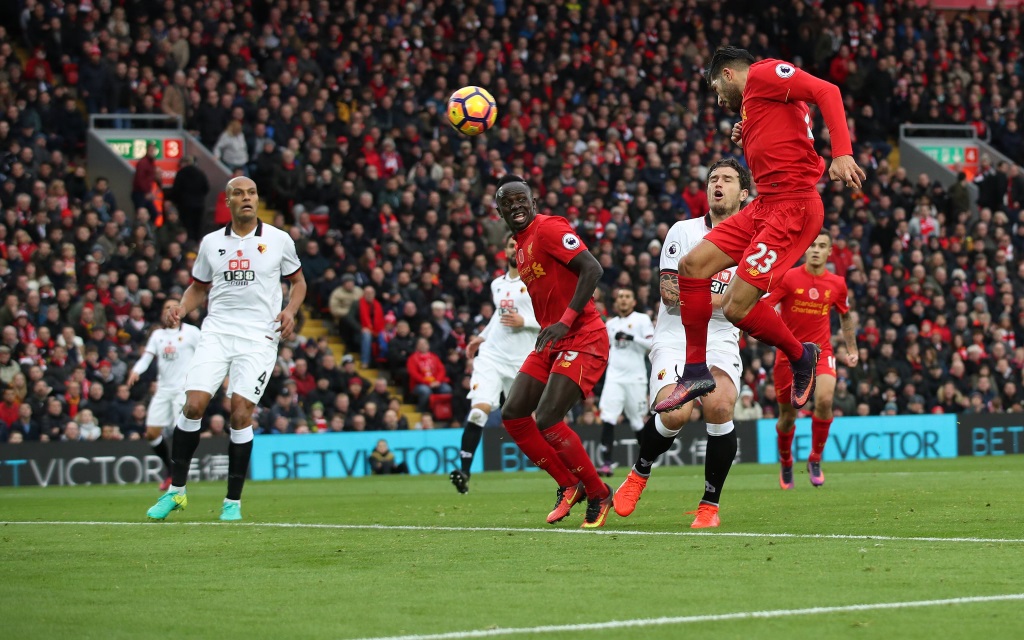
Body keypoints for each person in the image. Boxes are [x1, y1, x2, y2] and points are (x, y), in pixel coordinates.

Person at [655, 46, 865, 417]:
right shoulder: (756, 102)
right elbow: (786, 125)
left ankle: (801, 356)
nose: (720, 100)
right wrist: (747, 128)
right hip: (764, 206)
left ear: (728, 75)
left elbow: (827, 91)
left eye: (718, 90)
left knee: (737, 306)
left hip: (792, 208)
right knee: (692, 265)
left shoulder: (766, 74)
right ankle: (695, 372)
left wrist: (842, 152)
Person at [145, 176, 305, 522]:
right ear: (227, 201)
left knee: (240, 411)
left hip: (259, 337)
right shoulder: (211, 243)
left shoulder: (279, 240)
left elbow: (298, 282)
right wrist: (180, 307)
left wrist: (290, 311)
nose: (246, 198)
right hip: (216, 332)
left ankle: (232, 502)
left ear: (257, 199)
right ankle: (176, 493)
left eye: (251, 193)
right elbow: (198, 288)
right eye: (238, 194)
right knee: (193, 405)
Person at [615, 159, 749, 529]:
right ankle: (640, 472)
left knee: (720, 404)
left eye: (727, 179)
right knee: (676, 412)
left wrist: (708, 294)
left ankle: (709, 506)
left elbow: (751, 307)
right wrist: (730, 299)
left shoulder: (755, 242)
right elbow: (671, 295)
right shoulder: (683, 231)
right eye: (713, 179)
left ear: (744, 193)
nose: (717, 184)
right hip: (676, 334)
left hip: (720, 337)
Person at [495, 174, 613, 529]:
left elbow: (592, 268)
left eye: (521, 199)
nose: (515, 205)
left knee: (546, 418)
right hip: (552, 340)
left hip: (584, 335)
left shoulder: (548, 229)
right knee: (514, 414)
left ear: (533, 202)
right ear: (499, 211)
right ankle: (568, 483)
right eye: (507, 202)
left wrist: (565, 319)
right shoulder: (519, 245)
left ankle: (598, 492)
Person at [764, 231, 859, 488]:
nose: (816, 249)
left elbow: (845, 316)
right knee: (788, 417)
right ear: (806, 249)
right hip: (788, 355)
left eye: (822, 246)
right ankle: (786, 462)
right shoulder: (788, 277)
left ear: (829, 252)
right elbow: (765, 305)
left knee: (826, 400)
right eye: (813, 245)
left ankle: (815, 459)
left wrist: (852, 348)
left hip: (821, 352)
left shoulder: (837, 283)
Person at [449, 234, 539, 494]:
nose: (515, 249)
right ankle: (464, 472)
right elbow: (499, 319)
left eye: (519, 245)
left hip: (523, 361)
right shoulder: (497, 284)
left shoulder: (536, 281)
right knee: (479, 410)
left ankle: (564, 475)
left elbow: (550, 319)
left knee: (528, 421)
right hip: (492, 355)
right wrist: (482, 336)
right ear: (505, 250)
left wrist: (526, 323)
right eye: (511, 245)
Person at [127, 298, 202, 491]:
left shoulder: (192, 332)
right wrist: (136, 370)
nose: (169, 311)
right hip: (163, 390)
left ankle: (178, 475)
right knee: (151, 433)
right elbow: (147, 357)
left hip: (182, 390)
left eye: (172, 307)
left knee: (180, 432)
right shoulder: (157, 335)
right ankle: (170, 470)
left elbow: (206, 352)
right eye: (165, 308)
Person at [596, 288, 653, 476]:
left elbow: (652, 344)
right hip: (614, 378)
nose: (623, 300)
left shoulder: (642, 320)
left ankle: (646, 461)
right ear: (616, 301)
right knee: (608, 417)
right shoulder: (610, 324)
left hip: (636, 378)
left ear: (634, 302)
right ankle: (606, 463)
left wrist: (632, 337)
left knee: (637, 421)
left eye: (627, 297)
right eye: (620, 297)